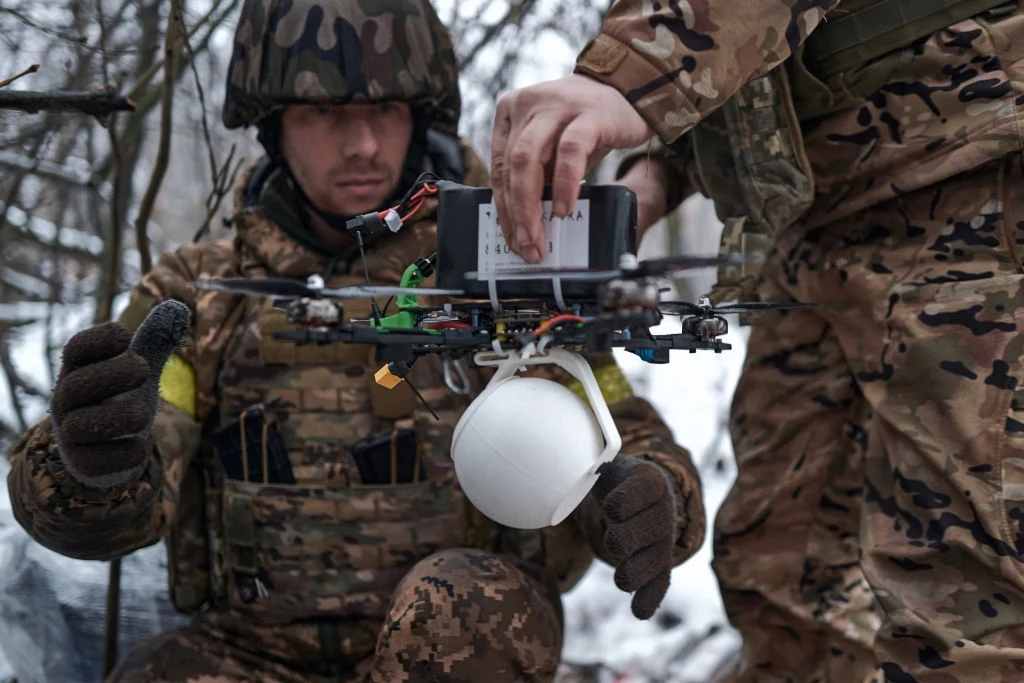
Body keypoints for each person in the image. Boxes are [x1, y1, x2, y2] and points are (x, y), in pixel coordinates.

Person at [5, 1, 708, 681]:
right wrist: (89, 463)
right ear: (273, 126)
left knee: (466, 604)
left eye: (383, 109)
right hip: (251, 653)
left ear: (421, 115)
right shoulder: (201, 295)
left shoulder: (510, 272)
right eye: (324, 113)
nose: (362, 144)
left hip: (463, 646)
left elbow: (620, 430)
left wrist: (653, 498)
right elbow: (103, 508)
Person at [489, 1, 1024, 681]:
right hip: (818, 211)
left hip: (968, 180)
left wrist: (632, 74)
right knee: (778, 564)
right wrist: (663, 168)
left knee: (967, 604)